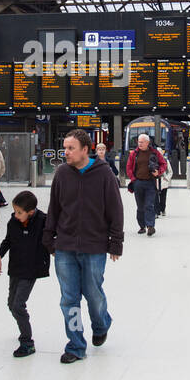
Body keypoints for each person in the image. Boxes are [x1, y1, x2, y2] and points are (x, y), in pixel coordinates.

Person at [42, 128, 123, 364]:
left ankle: (101, 324)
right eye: (65, 147)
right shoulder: (62, 174)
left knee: (93, 294)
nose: (65, 152)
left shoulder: (104, 174)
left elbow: (115, 210)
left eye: (71, 148)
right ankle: (76, 345)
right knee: (69, 299)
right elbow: (54, 208)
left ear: (85, 150)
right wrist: (49, 237)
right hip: (65, 247)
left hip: (94, 246)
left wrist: (115, 243)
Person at [0, 190, 50, 358]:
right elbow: (8, 240)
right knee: (11, 304)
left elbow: (52, 237)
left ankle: (27, 342)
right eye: (15, 211)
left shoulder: (42, 221)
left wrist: (53, 251)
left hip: (31, 270)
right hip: (16, 268)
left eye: (20, 212)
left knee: (18, 305)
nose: (16, 215)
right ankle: (23, 328)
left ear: (31, 212)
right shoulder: (14, 222)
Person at [125, 133, 167, 236]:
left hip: (150, 183)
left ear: (148, 143)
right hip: (138, 182)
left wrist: (159, 172)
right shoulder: (134, 154)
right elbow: (129, 167)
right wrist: (133, 179)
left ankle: (150, 226)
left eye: (142, 142)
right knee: (140, 207)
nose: (140, 144)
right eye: (139, 142)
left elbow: (163, 164)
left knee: (149, 205)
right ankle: (142, 226)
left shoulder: (154, 152)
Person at [155, 138, 172, 216]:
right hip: (155, 180)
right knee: (155, 197)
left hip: (163, 180)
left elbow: (170, 171)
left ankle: (163, 209)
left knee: (163, 196)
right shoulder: (152, 160)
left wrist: (167, 178)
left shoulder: (165, 160)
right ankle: (156, 210)